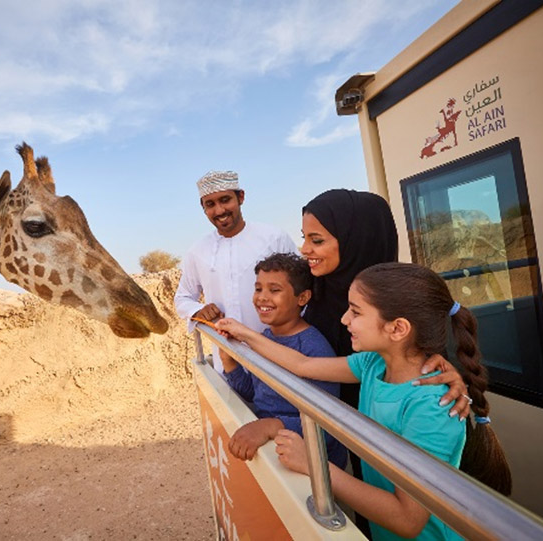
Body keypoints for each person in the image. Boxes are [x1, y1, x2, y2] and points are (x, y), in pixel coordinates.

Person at [216, 262, 512, 540]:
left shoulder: (432, 406)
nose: (344, 319)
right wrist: (242, 334)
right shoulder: (373, 365)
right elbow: (302, 365)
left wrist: (313, 463)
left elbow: (408, 520)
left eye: (356, 312)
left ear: (397, 328)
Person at [300, 189, 471, 416]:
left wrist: (452, 376)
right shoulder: (308, 285)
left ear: (358, 239)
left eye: (317, 240)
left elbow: (433, 365)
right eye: (304, 237)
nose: (304, 250)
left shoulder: (402, 298)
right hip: (324, 423)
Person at [221, 253, 347, 469]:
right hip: (273, 450)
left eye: (275, 290)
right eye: (258, 288)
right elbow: (257, 393)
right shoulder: (265, 338)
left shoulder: (313, 348)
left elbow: (326, 426)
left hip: (315, 468)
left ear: (302, 298)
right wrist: (230, 364)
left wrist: (271, 427)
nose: (262, 297)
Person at [174, 170, 297, 372]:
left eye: (225, 200)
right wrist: (198, 311)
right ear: (203, 208)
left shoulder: (273, 238)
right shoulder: (197, 251)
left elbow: (302, 287)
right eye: (210, 204)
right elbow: (182, 298)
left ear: (240, 197)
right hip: (228, 361)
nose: (219, 210)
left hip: (278, 356)